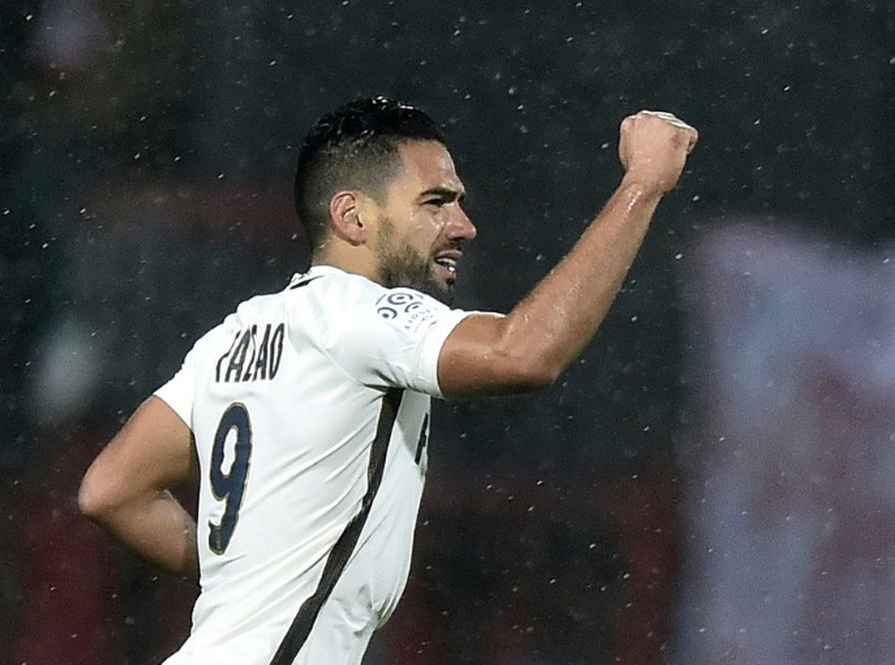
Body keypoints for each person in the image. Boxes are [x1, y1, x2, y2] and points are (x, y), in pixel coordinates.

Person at [78, 96, 698, 664]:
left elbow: (111, 489)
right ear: (352, 216)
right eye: (435, 202)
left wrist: (244, 576)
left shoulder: (234, 335)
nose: (463, 224)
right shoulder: (361, 316)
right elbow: (524, 353)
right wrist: (642, 186)